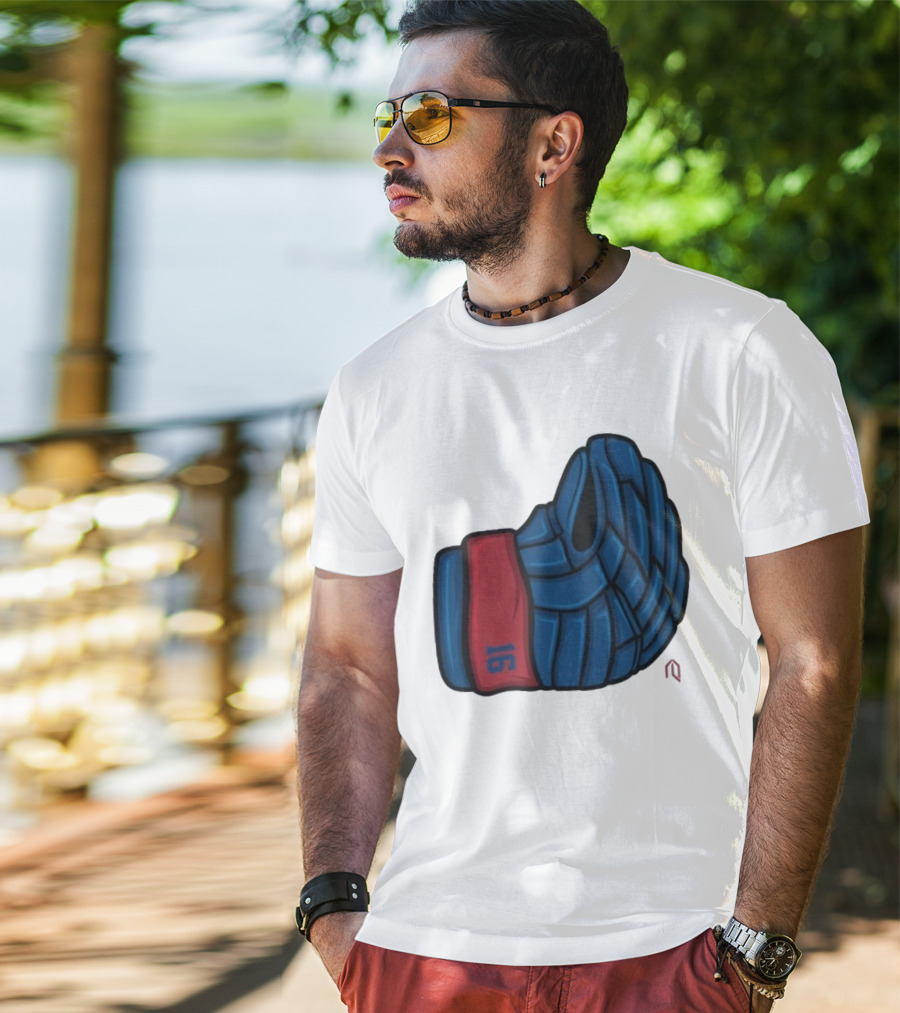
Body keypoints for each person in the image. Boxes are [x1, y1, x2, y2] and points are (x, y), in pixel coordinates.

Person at [295, 2, 870, 1011]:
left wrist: (756, 949)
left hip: (668, 948)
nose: (389, 148)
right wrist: (334, 907)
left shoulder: (741, 348)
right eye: (388, 116)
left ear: (553, 145)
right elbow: (346, 661)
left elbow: (813, 659)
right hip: (427, 953)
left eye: (429, 116)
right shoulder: (374, 386)